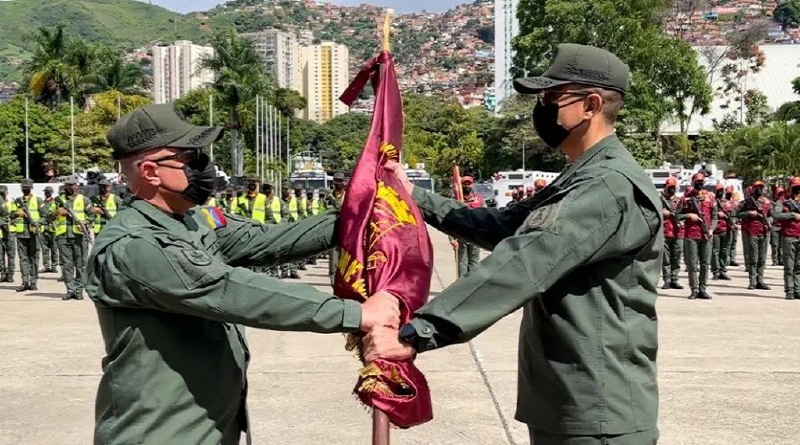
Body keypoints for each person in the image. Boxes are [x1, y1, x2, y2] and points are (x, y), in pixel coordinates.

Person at [364, 44, 661, 445]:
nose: (543, 107)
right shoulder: (582, 175)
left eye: (553, 97)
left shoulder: (607, 185)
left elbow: (524, 261)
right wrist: (412, 194)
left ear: (591, 105)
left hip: (597, 410)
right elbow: (504, 227)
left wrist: (415, 333)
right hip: (566, 400)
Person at [87, 104, 400, 445]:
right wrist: (354, 314)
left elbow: (271, 240)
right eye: (189, 158)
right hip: (159, 434)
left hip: (210, 428)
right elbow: (229, 291)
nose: (204, 167)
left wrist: (366, 209)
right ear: (150, 172)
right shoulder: (134, 246)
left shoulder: (193, 222)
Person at [678, 173, 717, 299]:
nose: (699, 184)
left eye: (701, 181)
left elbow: (714, 216)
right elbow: (676, 215)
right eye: (697, 181)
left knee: (705, 263)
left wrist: (712, 229)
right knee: (692, 264)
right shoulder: (685, 199)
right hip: (691, 234)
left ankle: (703, 288)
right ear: (692, 182)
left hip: (706, 235)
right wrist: (689, 215)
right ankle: (694, 289)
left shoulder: (710, 197)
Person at [52, 176, 91, 300]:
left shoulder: (84, 200)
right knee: (67, 265)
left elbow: (92, 215)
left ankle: (79, 290)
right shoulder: (58, 201)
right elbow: (48, 215)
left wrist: (85, 222)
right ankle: (70, 289)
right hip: (63, 236)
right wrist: (57, 212)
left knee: (81, 265)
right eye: (67, 185)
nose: (69, 187)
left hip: (79, 236)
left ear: (76, 186)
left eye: (71, 185)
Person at [738, 180, 772, 290]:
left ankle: (760, 280)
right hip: (752, 232)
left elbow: (772, 215)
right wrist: (749, 213)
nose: (759, 189)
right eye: (757, 187)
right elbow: (738, 214)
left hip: (764, 232)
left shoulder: (767, 202)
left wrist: (769, 222)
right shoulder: (747, 202)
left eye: (761, 187)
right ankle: (752, 281)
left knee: (762, 258)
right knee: (753, 258)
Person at [452, 176, 485, 277]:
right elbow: (450, 220)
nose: (467, 186)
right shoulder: (456, 201)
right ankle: (462, 285)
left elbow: (485, 216)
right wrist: (451, 238)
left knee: (474, 262)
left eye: (469, 184)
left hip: (475, 235)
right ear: (461, 186)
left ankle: (471, 284)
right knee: (462, 262)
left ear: (473, 185)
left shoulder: (479, 200)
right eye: (465, 184)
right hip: (461, 235)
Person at [12, 179, 41, 292]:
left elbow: (46, 216)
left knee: (34, 258)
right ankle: (25, 282)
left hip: (33, 233)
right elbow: (10, 215)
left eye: (27, 188)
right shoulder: (17, 201)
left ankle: (33, 282)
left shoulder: (37, 200)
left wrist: (36, 225)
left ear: (31, 188)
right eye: (23, 188)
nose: (25, 189)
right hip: (21, 234)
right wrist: (16, 213)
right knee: (23, 259)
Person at [774, 177, 800, 300]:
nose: (797, 189)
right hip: (789, 236)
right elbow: (776, 214)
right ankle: (789, 290)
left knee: (799, 266)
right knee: (789, 265)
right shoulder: (783, 200)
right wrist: (791, 215)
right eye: (795, 186)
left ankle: (797, 289)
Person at [660, 176, 684, 289]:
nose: (671, 189)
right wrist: (662, 212)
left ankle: (674, 279)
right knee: (665, 258)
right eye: (670, 187)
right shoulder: (659, 200)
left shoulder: (679, 201)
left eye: (673, 187)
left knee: (677, 257)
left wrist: (682, 221)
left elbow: (684, 214)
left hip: (678, 233)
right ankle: (667, 279)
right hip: (664, 233)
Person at [711, 183, 733, 281]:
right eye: (718, 190)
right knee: (715, 251)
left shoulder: (727, 202)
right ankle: (716, 271)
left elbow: (733, 213)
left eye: (722, 190)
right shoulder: (712, 202)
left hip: (727, 230)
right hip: (716, 230)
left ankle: (722, 270)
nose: (720, 192)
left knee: (724, 251)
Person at [39, 186, 59, 274]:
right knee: (45, 249)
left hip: (53, 228)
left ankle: (54, 266)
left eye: (47, 192)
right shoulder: (42, 203)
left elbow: (57, 214)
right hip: (44, 228)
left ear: (51, 193)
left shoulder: (55, 203)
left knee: (54, 248)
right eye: (45, 192)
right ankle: (47, 266)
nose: (46, 193)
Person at [1, 185, 16, 283]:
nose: (2, 195)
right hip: (1, 233)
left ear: (6, 193)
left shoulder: (12, 203)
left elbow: (16, 215)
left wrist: (10, 221)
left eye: (3, 193)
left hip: (10, 232)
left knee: (11, 255)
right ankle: (3, 274)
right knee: (0, 256)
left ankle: (10, 275)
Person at [725, 186, 741, 267]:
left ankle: (732, 259)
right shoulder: (724, 202)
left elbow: (738, 213)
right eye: (728, 193)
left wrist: (738, 223)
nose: (729, 195)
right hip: (727, 223)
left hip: (735, 223)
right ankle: (726, 259)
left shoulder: (735, 203)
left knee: (734, 242)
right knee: (728, 242)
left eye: (730, 193)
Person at [771, 186, 785, 266]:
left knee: (781, 245)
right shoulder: (772, 202)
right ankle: (775, 260)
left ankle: (781, 259)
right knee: (775, 244)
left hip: (782, 226)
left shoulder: (786, 201)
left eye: (782, 193)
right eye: (779, 193)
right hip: (775, 226)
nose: (781, 195)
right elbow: (771, 214)